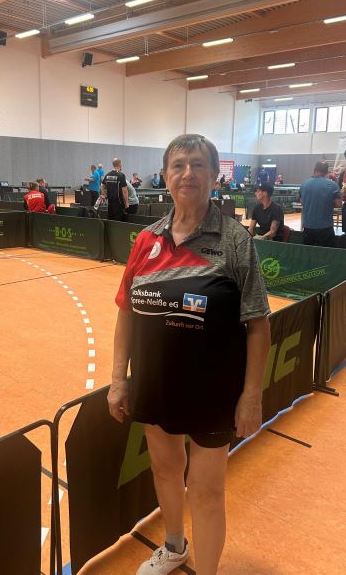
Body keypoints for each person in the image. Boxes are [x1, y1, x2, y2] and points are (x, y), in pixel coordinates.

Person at [108, 133, 271, 575]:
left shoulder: (234, 241)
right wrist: (119, 379)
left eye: (198, 165)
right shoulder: (146, 240)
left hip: (213, 390)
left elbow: (258, 324)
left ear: (214, 175)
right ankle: (175, 546)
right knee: (165, 470)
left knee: (207, 490)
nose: (188, 174)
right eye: (178, 165)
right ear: (165, 176)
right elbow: (126, 312)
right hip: (155, 382)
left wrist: (251, 395)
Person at [299, 161, 342, 247]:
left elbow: (302, 202)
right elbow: (339, 204)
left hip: (308, 227)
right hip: (325, 228)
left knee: (309, 252)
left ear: (314, 170)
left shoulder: (304, 184)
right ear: (327, 172)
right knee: (325, 253)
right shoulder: (333, 185)